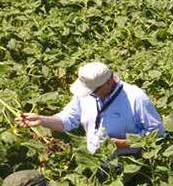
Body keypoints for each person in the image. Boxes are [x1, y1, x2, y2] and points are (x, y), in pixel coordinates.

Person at [18, 61, 164, 154]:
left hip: (129, 167)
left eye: (93, 91)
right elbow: (67, 120)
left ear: (108, 83)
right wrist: (41, 120)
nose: (90, 95)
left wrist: (123, 144)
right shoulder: (85, 95)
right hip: (97, 164)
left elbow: (157, 134)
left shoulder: (136, 98)